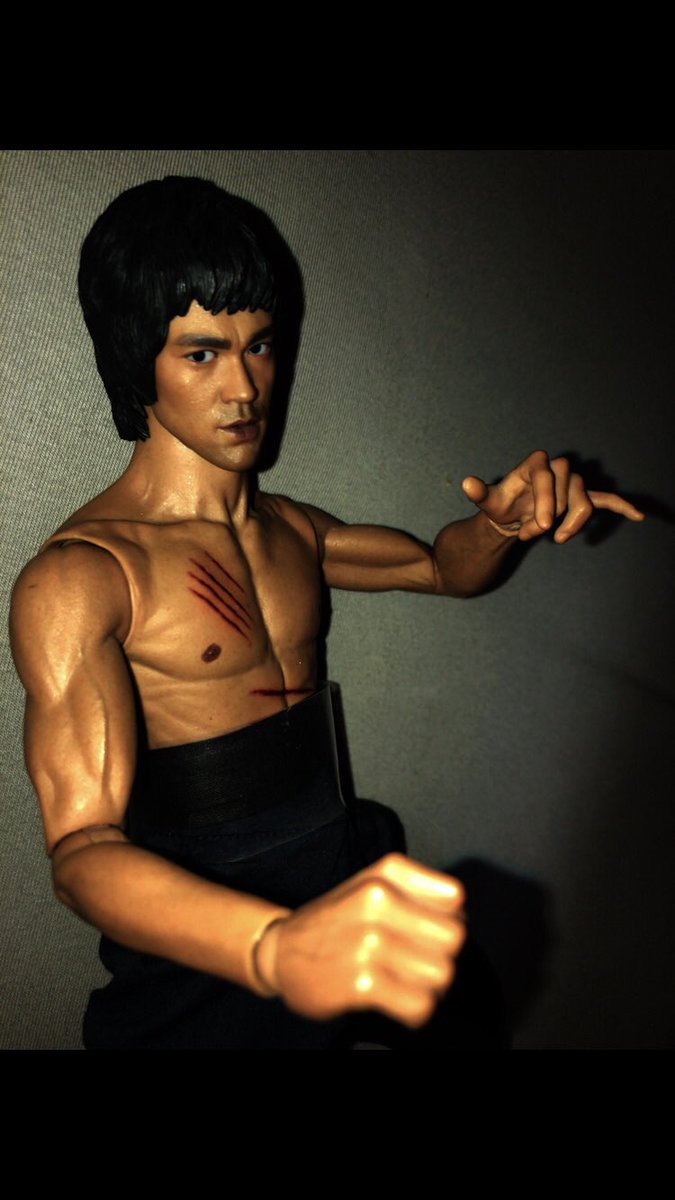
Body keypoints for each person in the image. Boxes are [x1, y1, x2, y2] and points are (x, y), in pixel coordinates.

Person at [9, 176, 644, 1050]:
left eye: (260, 346)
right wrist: (268, 948)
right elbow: (81, 852)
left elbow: (439, 568)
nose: (245, 387)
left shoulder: (291, 531)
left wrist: (500, 526)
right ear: (134, 360)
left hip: (343, 860)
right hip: (208, 929)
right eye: (201, 354)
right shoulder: (83, 576)